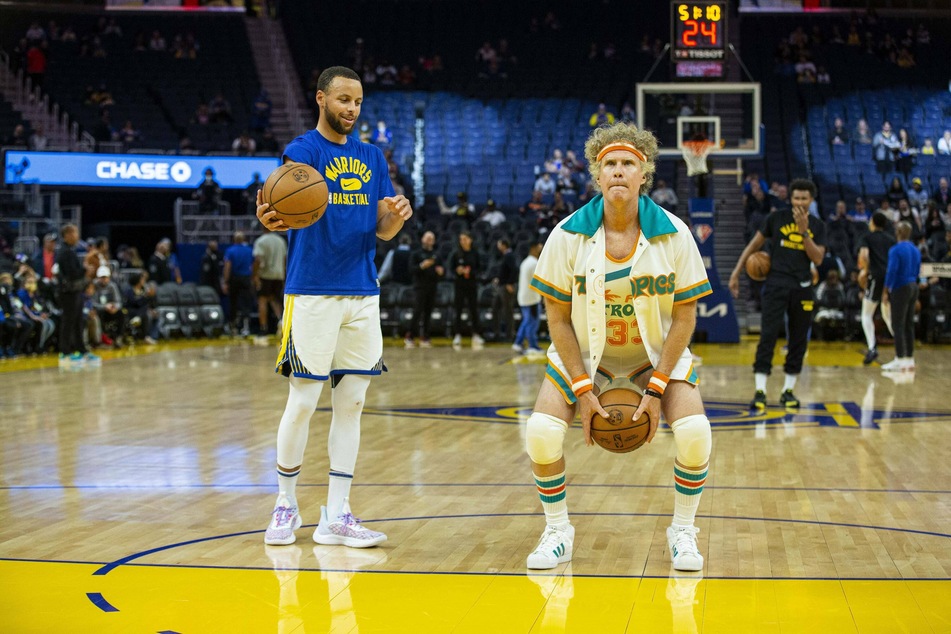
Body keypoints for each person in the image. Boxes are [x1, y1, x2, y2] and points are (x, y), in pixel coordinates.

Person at [524, 121, 713, 572]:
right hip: (590, 356)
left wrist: (655, 390)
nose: (619, 171)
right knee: (542, 434)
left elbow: (685, 317)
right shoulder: (567, 234)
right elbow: (557, 319)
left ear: (643, 172)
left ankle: (683, 530)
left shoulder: (675, 233)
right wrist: (584, 391)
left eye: (628, 163)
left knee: (694, 435)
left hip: (654, 358)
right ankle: (557, 530)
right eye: (610, 163)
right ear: (597, 173)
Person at [254, 66, 412, 547]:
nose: (351, 109)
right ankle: (285, 504)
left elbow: (382, 230)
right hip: (312, 290)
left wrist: (395, 217)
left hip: (362, 292)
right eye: (343, 99)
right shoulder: (304, 151)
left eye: (358, 102)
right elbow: (276, 209)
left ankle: (337, 514)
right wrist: (269, 218)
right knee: (302, 402)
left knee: (354, 404)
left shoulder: (372, 157)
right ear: (321, 98)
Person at [729, 179, 827, 410]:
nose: (800, 203)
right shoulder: (775, 219)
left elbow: (818, 259)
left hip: (802, 288)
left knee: (798, 341)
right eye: (796, 198)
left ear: (811, 200)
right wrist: (736, 272)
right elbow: (753, 246)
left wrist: (804, 234)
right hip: (775, 286)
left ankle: (788, 390)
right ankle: (760, 390)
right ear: (790, 199)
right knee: (768, 337)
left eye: (805, 198)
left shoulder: (818, 226)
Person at [55, 224, 98, 366]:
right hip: (68, 292)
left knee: (78, 321)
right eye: (74, 233)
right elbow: (73, 273)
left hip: (75, 291)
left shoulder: (70, 251)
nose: (77, 236)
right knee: (68, 322)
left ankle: (81, 350)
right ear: (67, 234)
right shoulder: (65, 252)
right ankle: (65, 353)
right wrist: (85, 269)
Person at [881, 221, 921, 373]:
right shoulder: (915, 249)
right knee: (908, 324)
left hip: (900, 287)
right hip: (913, 286)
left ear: (897, 232)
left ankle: (899, 359)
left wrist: (886, 290)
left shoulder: (895, 250)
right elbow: (918, 270)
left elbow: (892, 271)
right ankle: (909, 359)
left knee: (897, 324)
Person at [856, 212, 896, 365]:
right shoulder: (891, 240)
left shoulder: (867, 237)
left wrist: (865, 271)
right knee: (888, 316)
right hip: (890, 279)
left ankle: (872, 348)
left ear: (872, 222)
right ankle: (902, 348)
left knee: (866, 315)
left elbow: (864, 256)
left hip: (876, 277)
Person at [407, 230, 444, 348]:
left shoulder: (437, 255)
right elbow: (411, 270)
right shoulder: (416, 254)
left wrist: (441, 272)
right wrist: (422, 265)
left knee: (428, 312)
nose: (429, 240)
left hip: (432, 286)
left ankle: (425, 337)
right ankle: (410, 337)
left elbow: (443, 270)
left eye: (431, 238)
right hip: (419, 287)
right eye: (427, 238)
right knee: (417, 311)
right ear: (422, 239)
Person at [449, 230, 484, 348]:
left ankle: (476, 334)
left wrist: (471, 272)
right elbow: (450, 269)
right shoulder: (456, 254)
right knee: (458, 310)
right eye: (461, 239)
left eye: (465, 239)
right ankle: (457, 335)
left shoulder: (475, 253)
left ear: (470, 240)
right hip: (459, 285)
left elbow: (480, 269)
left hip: (472, 285)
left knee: (473, 309)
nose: (462, 241)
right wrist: (457, 271)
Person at [253, 226, 287, 337]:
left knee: (262, 300)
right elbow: (285, 260)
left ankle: (263, 327)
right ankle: (281, 322)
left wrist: (255, 276)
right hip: (279, 274)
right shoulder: (281, 241)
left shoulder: (261, 241)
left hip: (265, 275)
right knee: (275, 300)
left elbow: (258, 260)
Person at [513, 241, 542, 355]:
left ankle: (518, 342)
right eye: (539, 247)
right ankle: (532, 346)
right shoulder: (534, 263)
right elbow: (538, 281)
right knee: (532, 322)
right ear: (533, 248)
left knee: (526, 321)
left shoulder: (525, 262)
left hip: (524, 297)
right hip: (531, 298)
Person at [222, 231, 254, 336]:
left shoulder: (230, 251)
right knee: (246, 303)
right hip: (246, 278)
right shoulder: (249, 250)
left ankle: (233, 327)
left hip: (234, 278)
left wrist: (225, 281)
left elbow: (227, 266)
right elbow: (253, 265)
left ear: (234, 240)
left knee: (233, 303)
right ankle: (246, 327)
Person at [493, 239, 518, 341]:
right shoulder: (505, 256)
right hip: (501, 286)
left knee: (508, 311)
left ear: (504, 245)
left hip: (506, 287)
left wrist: (510, 283)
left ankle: (510, 335)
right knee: (495, 308)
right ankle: (497, 333)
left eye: (499, 244)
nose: (497, 247)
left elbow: (514, 270)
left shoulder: (509, 255)